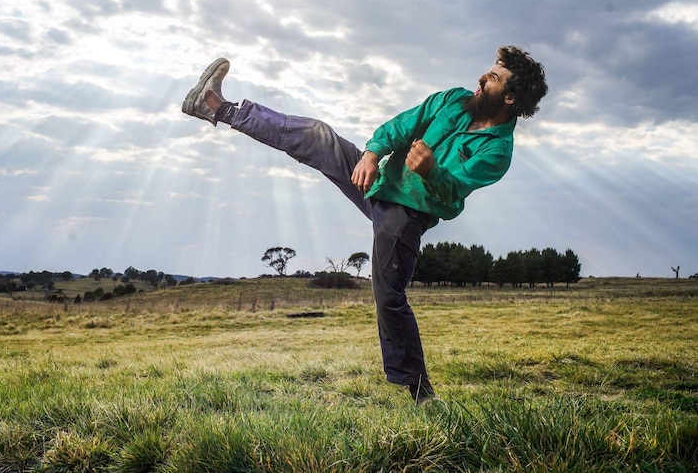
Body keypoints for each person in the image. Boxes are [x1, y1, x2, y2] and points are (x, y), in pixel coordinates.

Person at [182, 47, 548, 403]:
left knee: (389, 296)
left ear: (511, 97)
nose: (483, 78)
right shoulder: (453, 100)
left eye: (495, 77)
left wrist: (431, 171)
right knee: (317, 135)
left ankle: (421, 393)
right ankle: (216, 106)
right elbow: (400, 127)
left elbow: (454, 190)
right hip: (376, 181)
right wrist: (372, 154)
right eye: (490, 71)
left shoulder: (497, 151)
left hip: (406, 216)